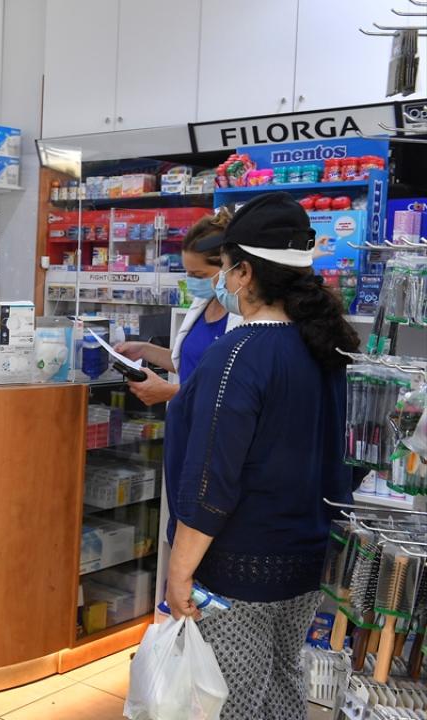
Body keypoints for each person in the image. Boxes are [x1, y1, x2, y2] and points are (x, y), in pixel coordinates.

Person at [163, 192, 359, 719]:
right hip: (306, 561)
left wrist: (180, 571)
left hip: (238, 568)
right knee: (281, 687)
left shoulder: (236, 355)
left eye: (225, 268)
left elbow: (211, 478)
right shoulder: (325, 346)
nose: (222, 281)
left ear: (245, 272)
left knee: (229, 699)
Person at [114, 208, 241, 405]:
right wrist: (144, 350)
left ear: (227, 267)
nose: (191, 281)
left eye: (199, 275)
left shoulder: (243, 316)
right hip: (185, 417)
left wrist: (170, 392)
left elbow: (234, 388)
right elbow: (187, 363)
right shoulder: (203, 302)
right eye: (187, 273)